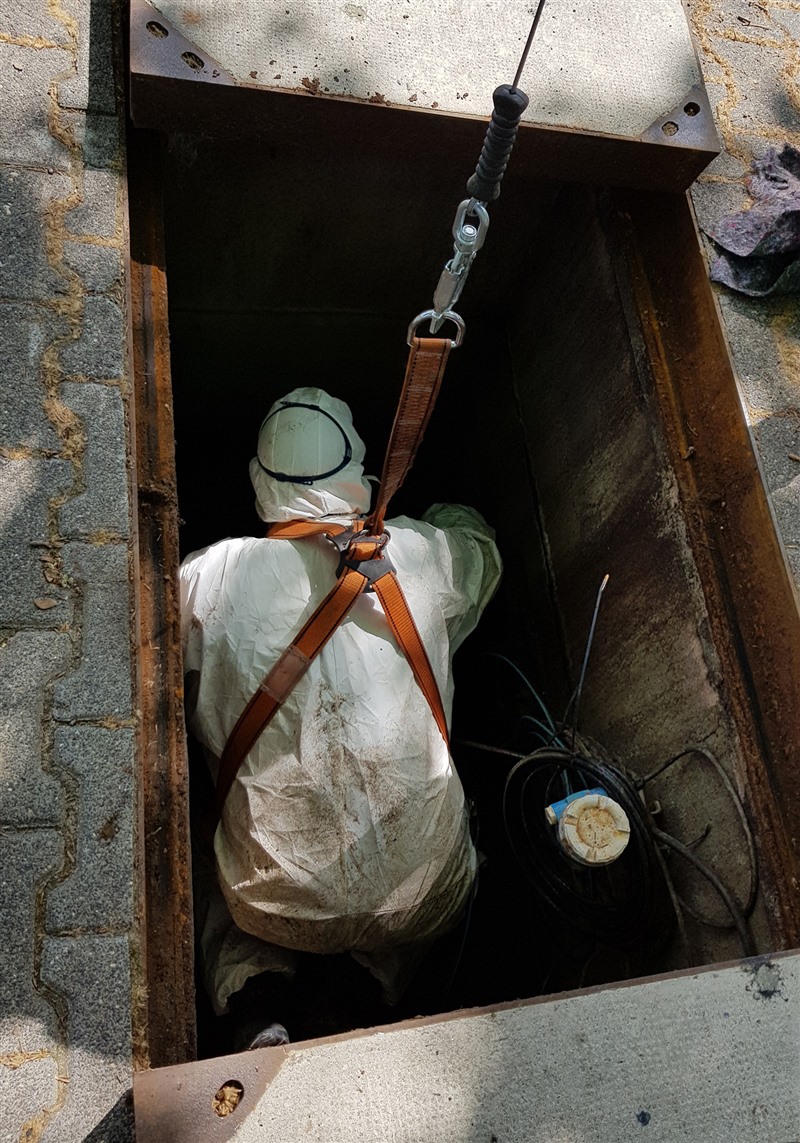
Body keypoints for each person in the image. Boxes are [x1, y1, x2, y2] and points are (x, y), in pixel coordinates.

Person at [180, 387, 501, 1046]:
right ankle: (358, 991)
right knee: (432, 854)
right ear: (359, 472)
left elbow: (157, 663)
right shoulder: (420, 553)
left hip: (272, 906)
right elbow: (483, 549)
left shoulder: (206, 579)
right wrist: (441, 516)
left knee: (197, 830)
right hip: (421, 901)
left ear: (258, 483)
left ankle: (253, 994)